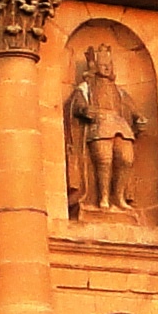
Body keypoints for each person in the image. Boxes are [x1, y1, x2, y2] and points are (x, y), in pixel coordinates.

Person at [66, 43, 146, 215]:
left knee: (126, 159)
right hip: (100, 125)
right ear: (95, 67)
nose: (107, 68)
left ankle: (119, 197)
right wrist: (85, 110)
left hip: (120, 125)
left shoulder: (119, 91)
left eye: (109, 66)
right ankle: (103, 198)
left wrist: (139, 118)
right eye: (103, 66)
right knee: (104, 160)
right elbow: (77, 103)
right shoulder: (86, 87)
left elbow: (131, 107)